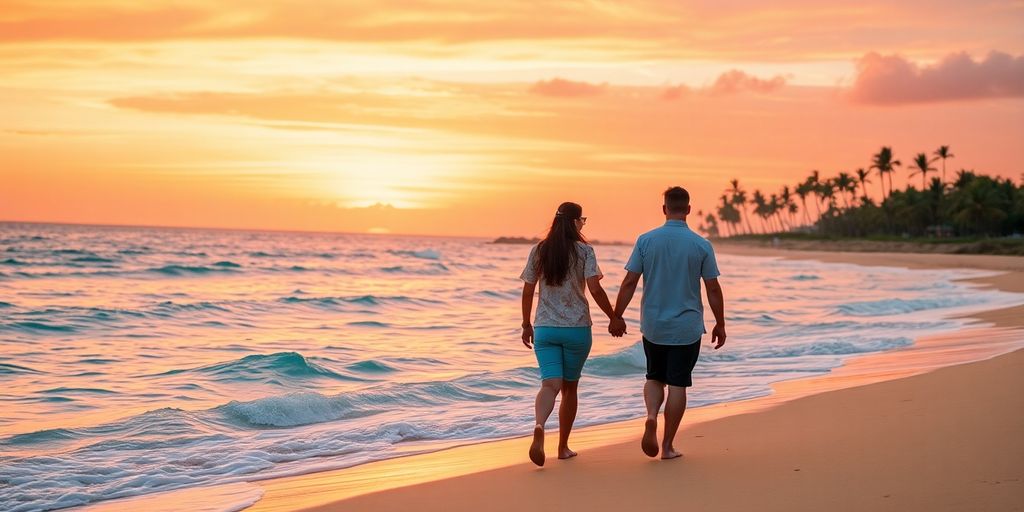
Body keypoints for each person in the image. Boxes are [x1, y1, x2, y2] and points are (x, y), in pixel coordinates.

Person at [609, 186, 726, 459]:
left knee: (653, 377)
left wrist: (617, 315)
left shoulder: (646, 240)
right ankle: (667, 446)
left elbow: (629, 282)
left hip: (653, 325)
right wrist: (720, 323)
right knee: (678, 384)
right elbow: (712, 289)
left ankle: (651, 415)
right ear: (688, 209)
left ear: (664, 209)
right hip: (686, 327)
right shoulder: (701, 244)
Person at [520, 202, 616, 467]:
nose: (583, 224)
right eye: (582, 220)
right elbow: (595, 289)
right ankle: (562, 447)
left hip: (545, 329)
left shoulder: (540, 250)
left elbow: (528, 289)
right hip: (576, 330)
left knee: (549, 385)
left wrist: (526, 324)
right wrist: (613, 317)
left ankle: (539, 425)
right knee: (570, 388)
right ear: (575, 222)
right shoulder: (585, 251)